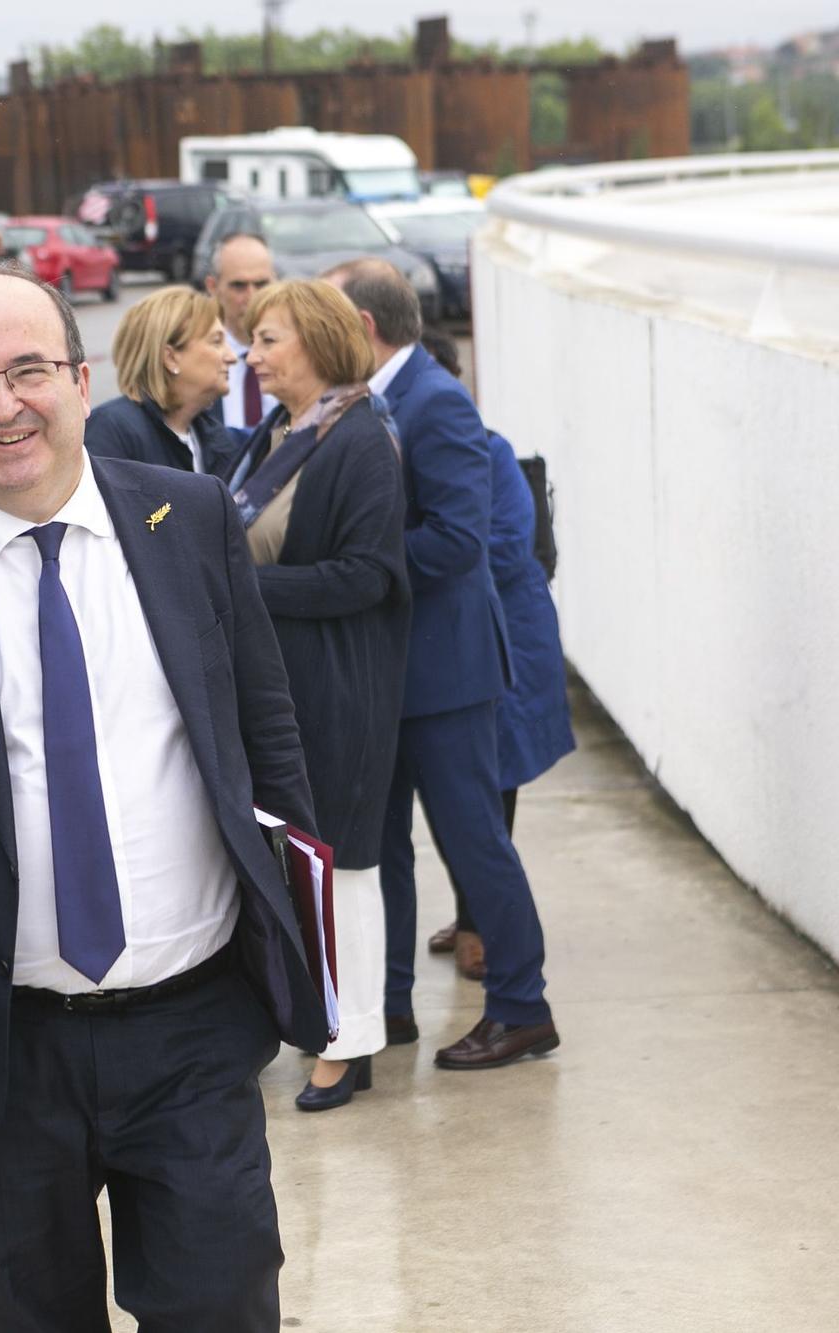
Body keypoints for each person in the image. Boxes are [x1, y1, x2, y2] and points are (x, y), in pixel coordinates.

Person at [0, 266, 324, 1331]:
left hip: (193, 1022)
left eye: (26, 371)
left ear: (79, 377)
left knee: (223, 1307)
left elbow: (265, 736)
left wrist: (307, 955)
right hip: (1, 1046)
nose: (0, 404)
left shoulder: (186, 519)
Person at [324, 259, 560, 1071]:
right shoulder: (376, 398)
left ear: (360, 326)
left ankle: (523, 1007)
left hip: (449, 677)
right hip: (390, 673)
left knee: (473, 845)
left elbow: (461, 540)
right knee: (382, 845)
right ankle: (391, 1004)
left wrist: (359, 564)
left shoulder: (437, 401)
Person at [223, 279, 410, 1111]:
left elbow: (369, 575)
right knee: (291, 864)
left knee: (342, 868)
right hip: (278, 688)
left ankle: (349, 1042)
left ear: (319, 342)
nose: (250, 356)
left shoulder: (361, 437)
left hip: (336, 688)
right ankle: (309, 1019)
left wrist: (249, 594)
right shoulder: (281, 429)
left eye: (268, 339)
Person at [417, 330, 575, 980]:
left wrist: (431, 547)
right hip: (465, 636)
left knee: (491, 786)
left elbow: (505, 545)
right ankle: (470, 912)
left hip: (507, 638)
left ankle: (484, 926)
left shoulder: (489, 451)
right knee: (466, 788)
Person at [85, 285, 237, 474]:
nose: (232, 357)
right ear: (170, 358)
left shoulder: (212, 435)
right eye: (216, 342)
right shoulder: (111, 431)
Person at [204, 232, 277, 432]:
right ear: (213, 287)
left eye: (261, 284)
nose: (252, 297)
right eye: (239, 286)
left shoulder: (301, 357)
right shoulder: (197, 360)